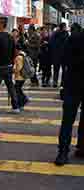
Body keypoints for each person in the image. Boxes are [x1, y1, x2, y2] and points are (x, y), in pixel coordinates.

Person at [54, 30, 84, 166]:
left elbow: (63, 59)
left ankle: (65, 151)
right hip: (73, 84)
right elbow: (65, 59)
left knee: (68, 120)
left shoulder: (74, 37)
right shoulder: (74, 38)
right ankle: (65, 151)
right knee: (68, 119)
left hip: (72, 83)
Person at [0, 16, 20, 114]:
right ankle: (15, 107)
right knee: (10, 86)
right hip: (8, 66)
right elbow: (14, 51)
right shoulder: (10, 36)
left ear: (1, 24)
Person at [49, 23, 69, 88]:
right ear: (63, 27)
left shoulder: (54, 33)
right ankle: (62, 83)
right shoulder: (66, 34)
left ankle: (55, 82)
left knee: (56, 70)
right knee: (63, 70)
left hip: (56, 54)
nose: (66, 28)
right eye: (65, 26)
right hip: (64, 55)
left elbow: (51, 43)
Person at [13, 44, 30, 109]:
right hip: (23, 77)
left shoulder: (18, 57)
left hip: (19, 77)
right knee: (18, 90)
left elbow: (19, 68)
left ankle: (23, 100)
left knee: (17, 90)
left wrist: (13, 70)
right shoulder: (24, 55)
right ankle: (22, 101)